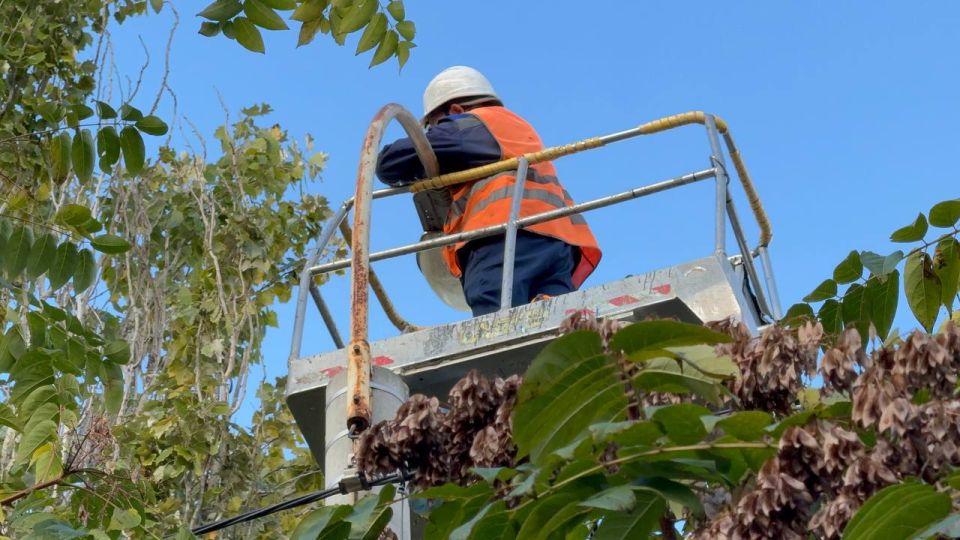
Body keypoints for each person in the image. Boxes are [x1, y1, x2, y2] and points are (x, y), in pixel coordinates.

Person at [375, 66, 602, 316]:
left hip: (504, 239)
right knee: (552, 322)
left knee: (495, 325)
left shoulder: (473, 124)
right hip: (557, 243)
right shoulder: (513, 128)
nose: (437, 134)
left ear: (456, 111)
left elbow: (390, 163)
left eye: (436, 127)